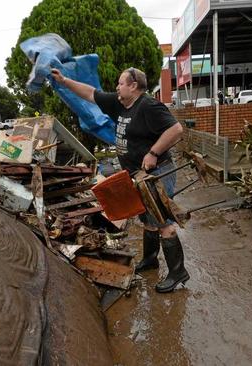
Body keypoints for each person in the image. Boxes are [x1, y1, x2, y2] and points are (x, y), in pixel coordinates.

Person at [50, 67, 188, 293]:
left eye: (120, 83)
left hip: (158, 172)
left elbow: (176, 129)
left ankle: (178, 272)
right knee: (147, 218)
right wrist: (64, 81)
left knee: (162, 221)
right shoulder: (119, 103)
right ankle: (151, 259)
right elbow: (90, 93)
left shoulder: (148, 106)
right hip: (137, 175)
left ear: (133, 85)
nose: (116, 87)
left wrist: (153, 153)